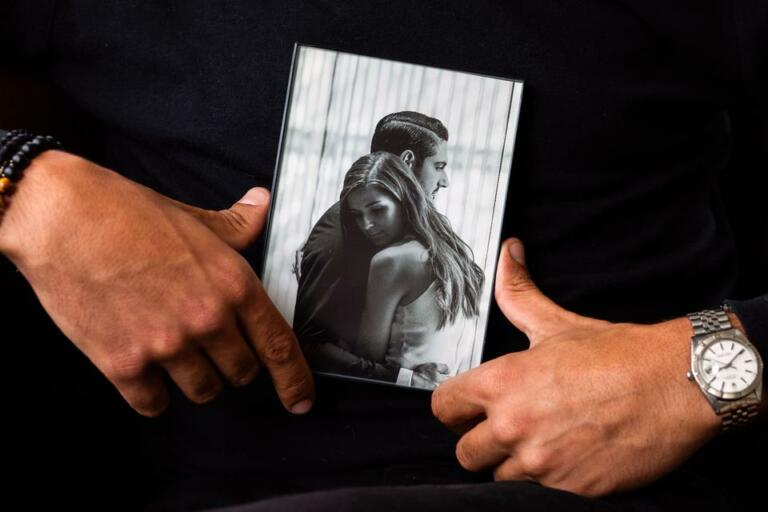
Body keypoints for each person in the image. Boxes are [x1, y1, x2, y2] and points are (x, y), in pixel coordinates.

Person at [2, 1, 766, 511]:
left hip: (630, 478)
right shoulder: (379, 252)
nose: (442, 180)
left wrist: (707, 368)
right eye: (433, 171)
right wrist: (25, 185)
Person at [295, 111, 454, 384]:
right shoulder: (338, 236)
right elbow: (309, 344)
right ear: (408, 160)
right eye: (438, 166)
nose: (444, 180)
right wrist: (405, 379)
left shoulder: (418, 226)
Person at [336, 151, 484, 386]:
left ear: (404, 200)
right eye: (357, 215)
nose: (366, 225)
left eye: (377, 209)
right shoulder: (455, 255)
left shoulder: (390, 260)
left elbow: (366, 357)